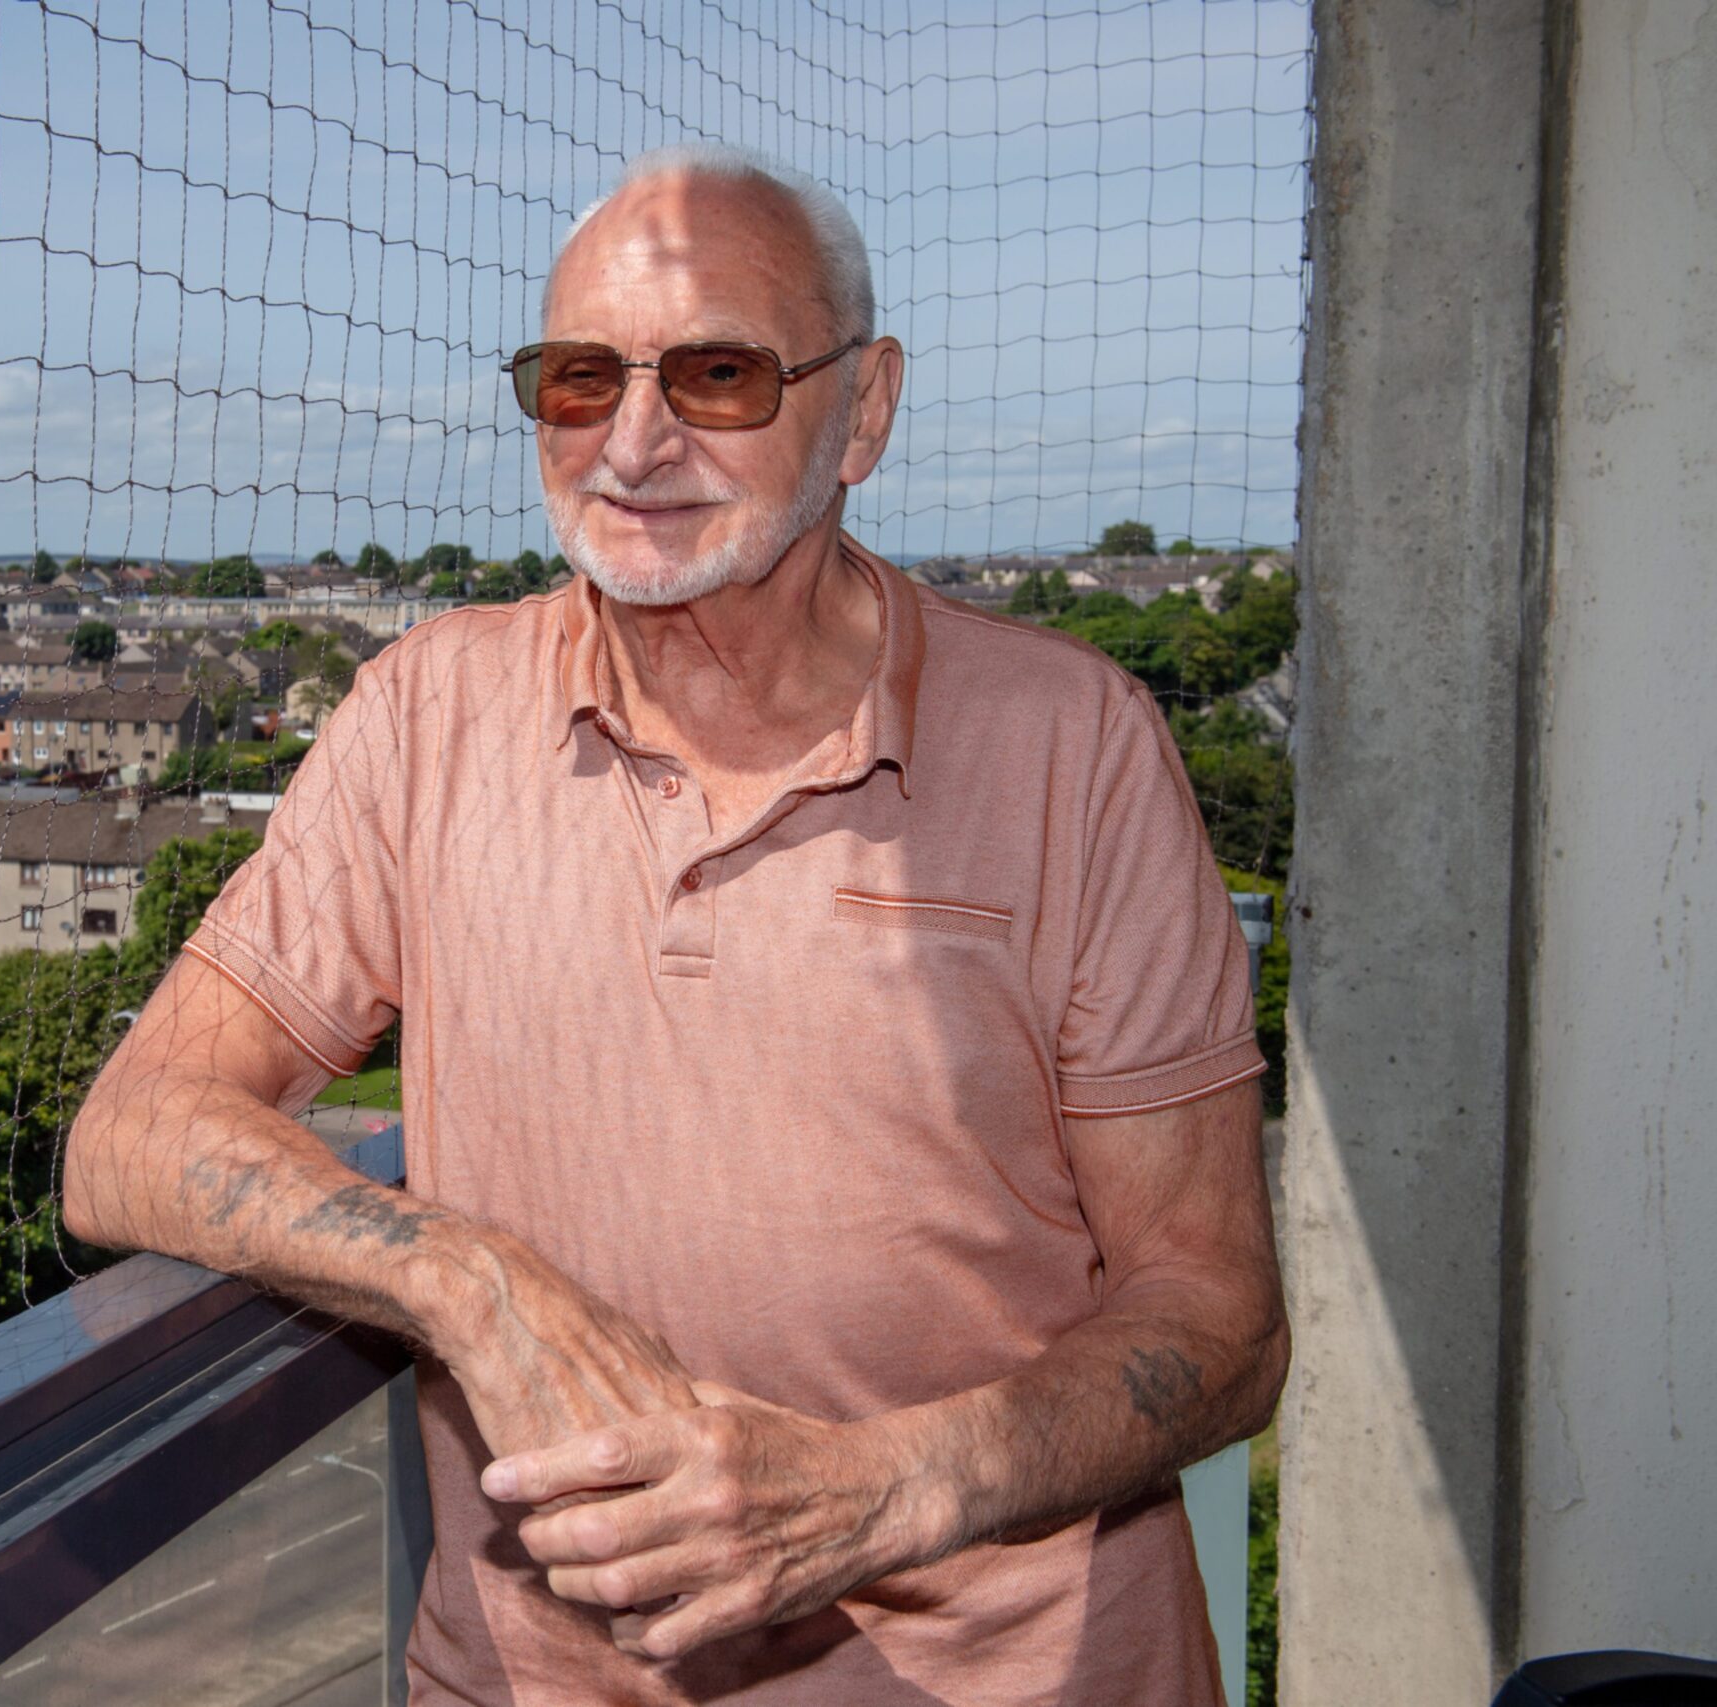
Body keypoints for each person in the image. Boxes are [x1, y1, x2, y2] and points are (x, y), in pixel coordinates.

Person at [64, 143, 1286, 1705]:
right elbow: (132, 1132)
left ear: (867, 410)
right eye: (579, 380)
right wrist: (464, 1277)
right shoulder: (427, 718)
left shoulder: (1074, 746)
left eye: (717, 375)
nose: (633, 443)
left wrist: (880, 1495)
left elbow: (1222, 1319)